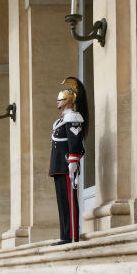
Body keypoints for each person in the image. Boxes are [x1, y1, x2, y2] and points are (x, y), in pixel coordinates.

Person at [49, 77, 87, 244]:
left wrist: (73, 162)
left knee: (70, 202)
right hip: (58, 166)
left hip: (67, 165)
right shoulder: (60, 120)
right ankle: (64, 235)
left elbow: (75, 142)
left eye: (61, 98)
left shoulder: (73, 117)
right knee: (63, 202)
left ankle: (72, 236)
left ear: (68, 101)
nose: (58, 101)